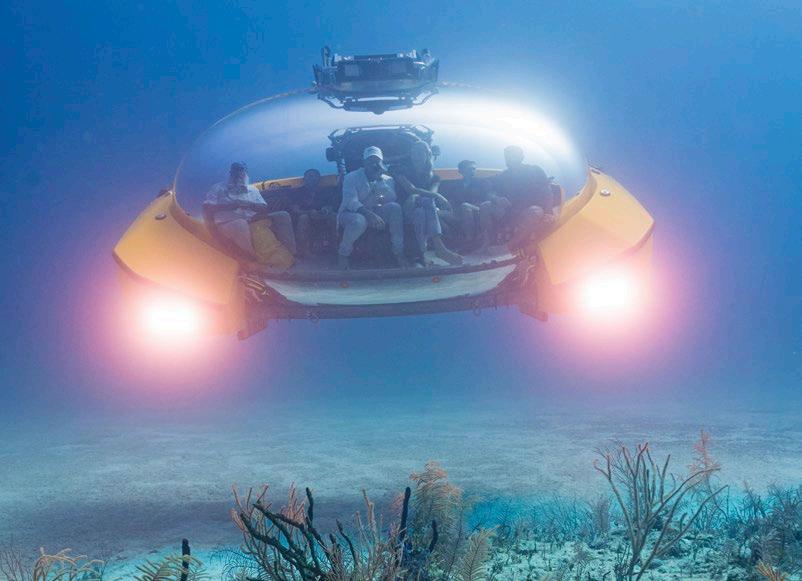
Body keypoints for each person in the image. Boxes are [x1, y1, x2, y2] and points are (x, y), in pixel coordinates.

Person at [204, 162, 297, 269]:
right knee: (240, 224)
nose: (239, 173)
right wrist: (231, 205)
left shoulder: (252, 189)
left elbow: (264, 208)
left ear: (246, 173)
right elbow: (207, 207)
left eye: (242, 170)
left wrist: (250, 205)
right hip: (229, 222)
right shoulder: (217, 188)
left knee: (282, 215)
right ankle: (252, 259)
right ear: (231, 172)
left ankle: (291, 253)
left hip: (254, 219)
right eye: (236, 170)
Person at [394, 140, 463, 266]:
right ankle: (440, 248)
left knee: (421, 212)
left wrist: (432, 195)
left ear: (428, 155)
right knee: (419, 198)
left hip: (422, 209)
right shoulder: (401, 171)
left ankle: (422, 254)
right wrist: (438, 196)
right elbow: (411, 189)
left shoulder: (435, 177)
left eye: (420, 152)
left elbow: (432, 192)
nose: (416, 155)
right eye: (413, 152)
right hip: (405, 209)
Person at [337, 146, 405, 269]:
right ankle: (343, 254)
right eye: (370, 161)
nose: (374, 164)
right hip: (350, 214)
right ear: (364, 163)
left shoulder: (388, 179)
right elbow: (350, 201)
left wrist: (380, 181)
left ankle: (398, 252)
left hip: (375, 211)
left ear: (381, 163)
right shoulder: (351, 177)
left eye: (377, 161)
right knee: (359, 221)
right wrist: (369, 215)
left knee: (395, 208)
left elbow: (391, 198)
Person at [492, 146, 557, 249]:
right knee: (486, 206)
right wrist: (497, 199)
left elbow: (547, 191)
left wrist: (548, 212)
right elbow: (491, 190)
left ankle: (508, 247)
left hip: (530, 210)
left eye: (512, 156)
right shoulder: (503, 176)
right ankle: (487, 242)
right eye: (506, 156)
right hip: (510, 211)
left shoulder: (534, 170)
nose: (508, 159)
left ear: (521, 157)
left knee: (534, 211)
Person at [450, 159, 511, 250]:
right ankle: (446, 243)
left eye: (473, 169)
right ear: (461, 171)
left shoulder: (483, 182)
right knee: (439, 213)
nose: (472, 171)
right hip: (459, 211)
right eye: (469, 169)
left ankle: (469, 240)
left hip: (480, 209)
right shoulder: (455, 185)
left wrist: (497, 199)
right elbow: (452, 201)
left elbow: (490, 194)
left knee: (465, 206)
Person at [290, 168, 338, 256]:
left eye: (315, 176)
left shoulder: (326, 191)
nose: (312, 178)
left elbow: (330, 206)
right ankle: (304, 251)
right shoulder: (297, 192)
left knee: (334, 217)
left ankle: (336, 247)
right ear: (304, 179)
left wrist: (326, 210)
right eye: (310, 176)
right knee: (303, 219)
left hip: (322, 216)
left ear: (319, 179)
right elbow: (295, 210)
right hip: (305, 216)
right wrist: (309, 212)